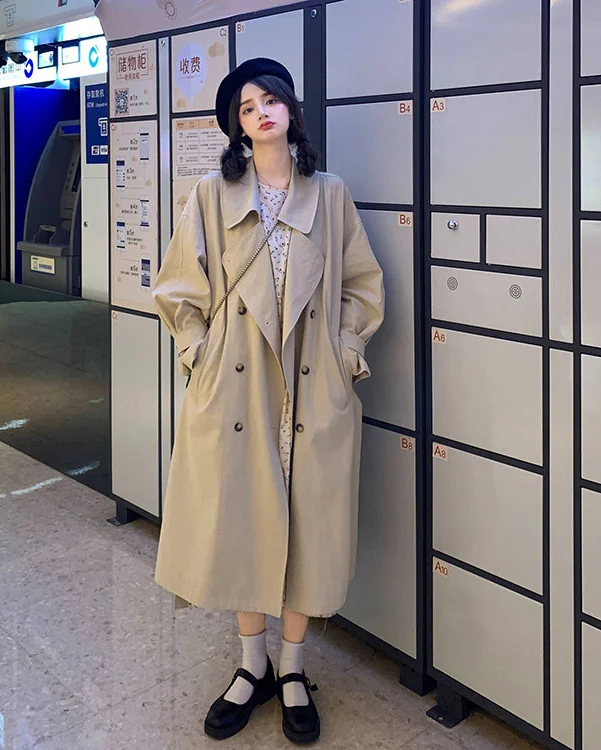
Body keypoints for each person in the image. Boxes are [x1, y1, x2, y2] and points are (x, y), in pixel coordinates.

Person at [151, 58, 384, 744]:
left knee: (307, 525)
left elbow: (361, 285)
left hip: (311, 386)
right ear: (238, 127)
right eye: (247, 107)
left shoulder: (329, 194)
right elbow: (177, 287)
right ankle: (251, 666)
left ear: (290, 110)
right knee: (242, 520)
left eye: (270, 100)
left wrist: (345, 353)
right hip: (236, 388)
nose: (260, 112)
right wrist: (199, 355)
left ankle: (293, 669)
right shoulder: (211, 193)